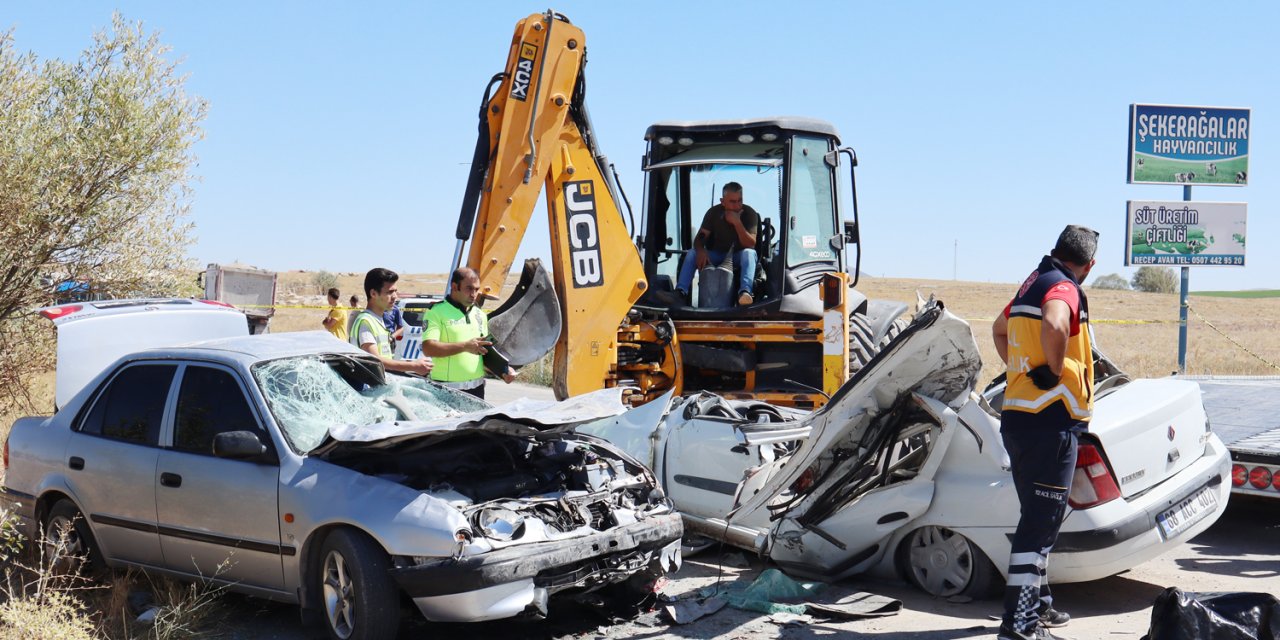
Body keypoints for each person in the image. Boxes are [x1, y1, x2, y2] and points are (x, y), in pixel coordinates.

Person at [990, 225, 1099, 640]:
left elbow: (999, 330)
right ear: (1089, 265)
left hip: (1019, 416)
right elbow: (1056, 323)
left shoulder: (1029, 286)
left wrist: (1022, 371)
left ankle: (1039, 607)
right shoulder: (1064, 288)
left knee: (1038, 520)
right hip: (1049, 423)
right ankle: (1019, 627)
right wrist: (1052, 373)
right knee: (1038, 528)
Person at [421, 267, 516, 399]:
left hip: (477, 390)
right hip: (446, 390)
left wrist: (502, 371)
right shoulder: (436, 312)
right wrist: (465, 346)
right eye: (469, 288)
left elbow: (485, 352)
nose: (473, 294)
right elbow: (428, 348)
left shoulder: (480, 314)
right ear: (454, 287)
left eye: (476, 289)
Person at [674, 181, 759, 306]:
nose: (737, 205)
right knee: (692, 253)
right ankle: (680, 293)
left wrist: (737, 223)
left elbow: (751, 244)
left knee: (749, 253)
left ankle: (745, 292)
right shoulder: (713, 213)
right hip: (715, 255)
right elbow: (700, 238)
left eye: (739, 200)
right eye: (732, 201)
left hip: (737, 257)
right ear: (722, 201)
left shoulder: (749, 213)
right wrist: (700, 250)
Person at [350, 268, 433, 375]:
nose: (395, 296)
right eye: (389, 292)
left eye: (395, 291)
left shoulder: (377, 319)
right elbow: (375, 361)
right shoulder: (366, 321)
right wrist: (414, 366)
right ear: (373, 293)